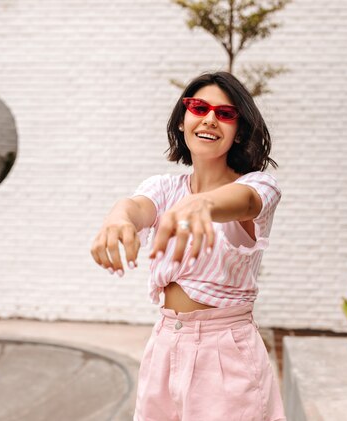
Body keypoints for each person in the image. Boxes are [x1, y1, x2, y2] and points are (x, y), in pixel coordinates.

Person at [90, 71, 285, 421]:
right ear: (183, 120)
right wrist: (118, 218)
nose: (210, 118)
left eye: (225, 114)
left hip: (226, 351)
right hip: (165, 343)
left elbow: (246, 202)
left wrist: (202, 205)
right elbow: (135, 207)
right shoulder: (164, 188)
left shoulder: (260, 186)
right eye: (199, 107)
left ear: (238, 131)